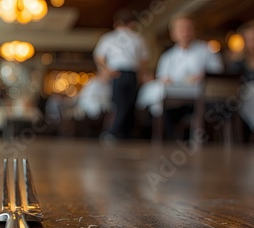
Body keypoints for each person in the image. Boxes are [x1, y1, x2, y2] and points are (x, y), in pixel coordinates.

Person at [136, 14, 223, 138]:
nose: (185, 32)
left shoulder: (207, 50)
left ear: (194, 30)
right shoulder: (167, 56)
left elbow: (218, 74)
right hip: (176, 103)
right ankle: (169, 142)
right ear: (173, 34)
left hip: (204, 100)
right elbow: (162, 78)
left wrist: (203, 76)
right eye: (181, 29)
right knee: (162, 109)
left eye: (189, 28)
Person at [94, 9, 150, 140]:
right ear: (132, 24)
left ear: (116, 23)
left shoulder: (108, 38)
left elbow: (99, 58)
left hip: (117, 74)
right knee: (126, 104)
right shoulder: (138, 38)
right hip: (131, 74)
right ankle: (112, 132)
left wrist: (106, 71)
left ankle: (123, 133)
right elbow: (144, 61)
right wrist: (141, 76)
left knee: (121, 103)